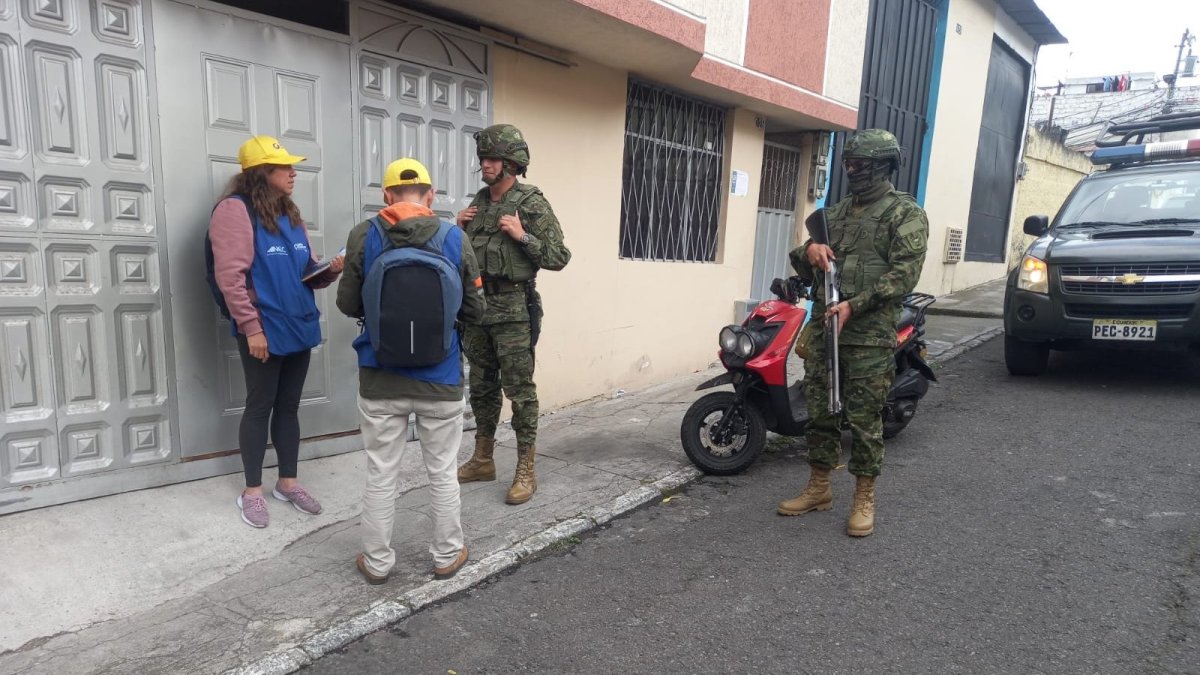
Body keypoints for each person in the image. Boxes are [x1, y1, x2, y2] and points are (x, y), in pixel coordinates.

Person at [336, 158, 485, 584]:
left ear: (386, 196)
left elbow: (347, 304)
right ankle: (447, 555)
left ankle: (377, 562)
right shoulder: (454, 237)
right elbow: (475, 310)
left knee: (381, 472)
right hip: (441, 379)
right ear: (431, 196)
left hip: (380, 377)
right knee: (442, 472)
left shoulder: (364, 235)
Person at [777, 129, 929, 537]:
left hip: (868, 335)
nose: (851, 170)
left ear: (882, 166)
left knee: (863, 419)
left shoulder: (905, 214)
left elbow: (904, 276)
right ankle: (819, 487)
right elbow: (803, 260)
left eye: (860, 164)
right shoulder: (836, 213)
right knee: (820, 413)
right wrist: (809, 251)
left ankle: (864, 496)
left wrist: (853, 305)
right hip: (826, 331)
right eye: (848, 163)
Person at [210, 135, 343, 529]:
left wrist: (329, 271)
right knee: (259, 406)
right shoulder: (234, 211)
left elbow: (306, 271)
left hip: (298, 324)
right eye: (285, 167)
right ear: (261, 172)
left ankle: (288, 483)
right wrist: (251, 329)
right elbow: (230, 278)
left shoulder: (290, 214)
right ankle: (252, 491)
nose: (293, 172)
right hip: (264, 329)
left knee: (288, 407)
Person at [454, 124, 571, 505]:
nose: (485, 164)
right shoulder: (479, 201)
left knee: (519, 391)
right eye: (483, 158)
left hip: (513, 312)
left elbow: (559, 257)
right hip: (477, 310)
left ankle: (526, 470)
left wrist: (522, 236)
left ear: (511, 163)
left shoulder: (530, 202)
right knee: (481, 387)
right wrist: (458, 229)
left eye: (492, 158)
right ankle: (483, 459)